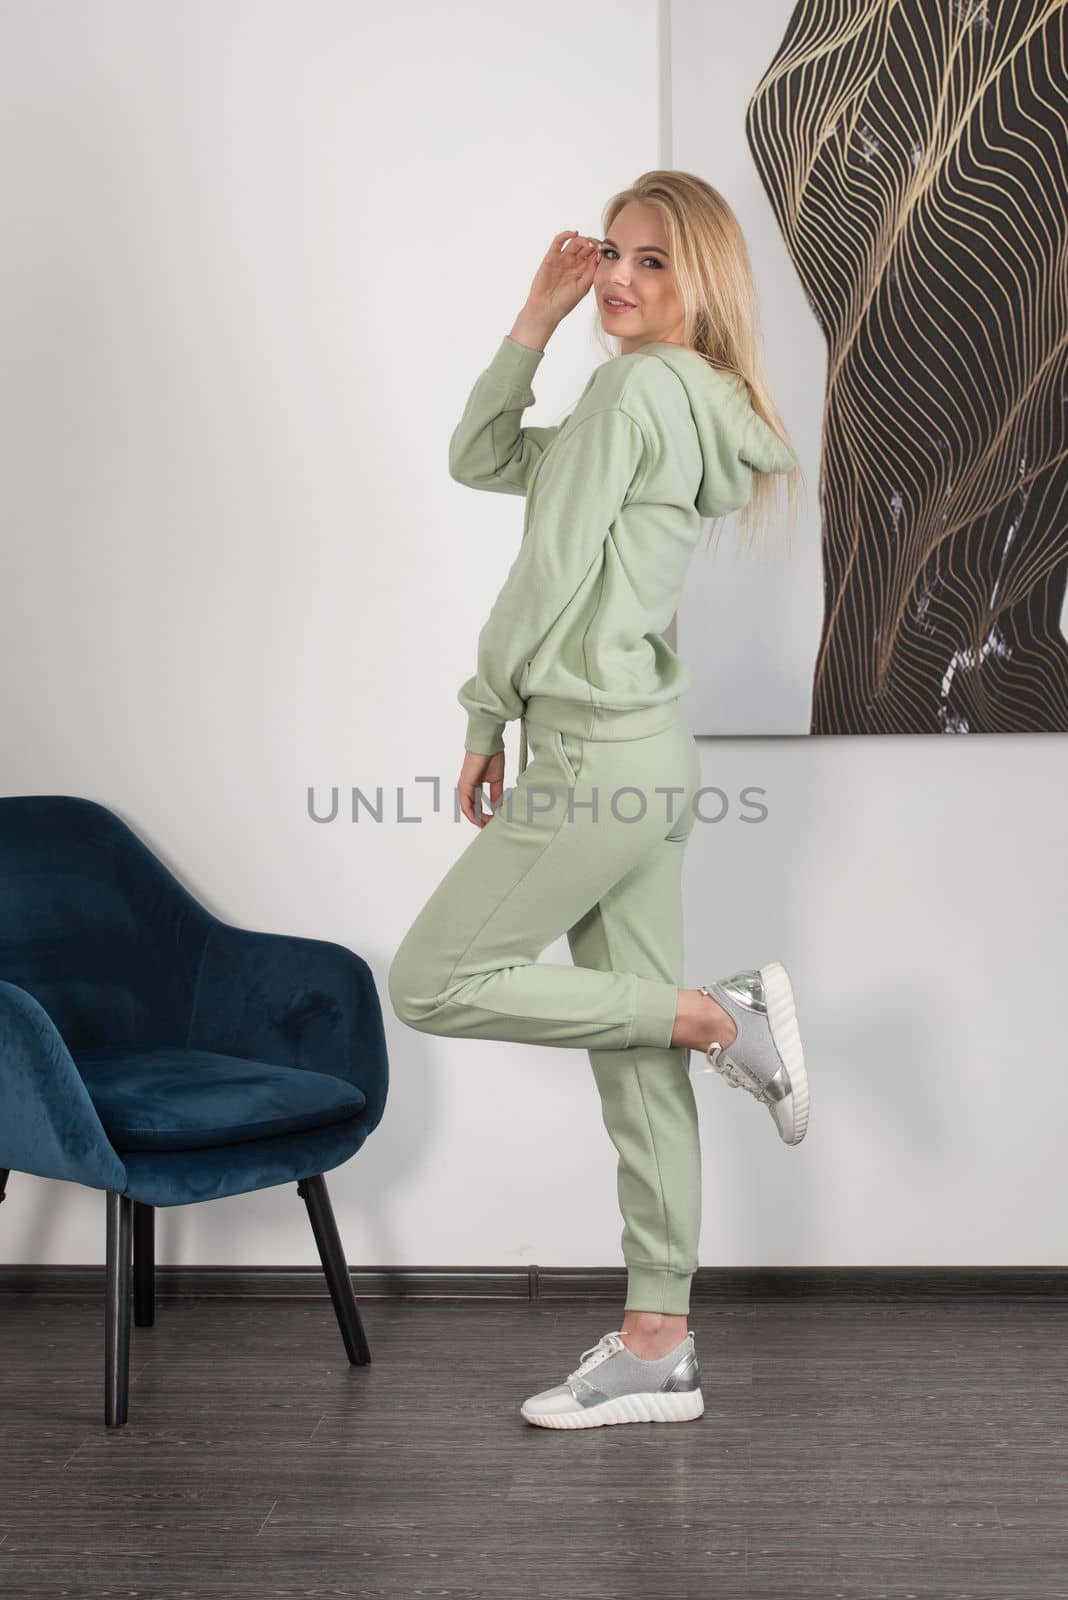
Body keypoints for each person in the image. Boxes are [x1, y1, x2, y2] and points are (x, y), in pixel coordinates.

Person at [388, 170, 808, 1430]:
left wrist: (480, 711)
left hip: (586, 756)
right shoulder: (687, 404)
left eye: (653, 264)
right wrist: (536, 310)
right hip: (652, 756)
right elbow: (480, 456)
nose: (618, 280)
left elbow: (553, 570)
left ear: (704, 289)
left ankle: (717, 1012)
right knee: (638, 1061)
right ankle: (657, 1345)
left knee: (432, 979)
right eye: (610, 257)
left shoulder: (633, 392)